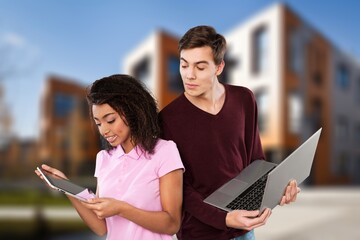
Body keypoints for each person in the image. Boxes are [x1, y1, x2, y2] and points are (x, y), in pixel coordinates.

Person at [159, 25, 300, 240]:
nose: (189, 75)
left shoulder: (244, 99)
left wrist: (278, 187)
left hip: (244, 230)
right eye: (184, 64)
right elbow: (179, 189)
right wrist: (224, 219)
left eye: (200, 67)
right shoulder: (167, 119)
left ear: (219, 67)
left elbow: (256, 161)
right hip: (198, 234)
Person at [36, 74, 184, 240]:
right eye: (99, 123)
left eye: (111, 120)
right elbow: (101, 227)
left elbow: (172, 224)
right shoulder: (104, 158)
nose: (104, 130)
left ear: (133, 111)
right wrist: (66, 187)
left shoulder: (165, 151)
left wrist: (121, 209)